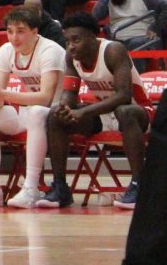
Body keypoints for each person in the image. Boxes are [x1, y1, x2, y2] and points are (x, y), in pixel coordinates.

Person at [38, 13, 151, 210]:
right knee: (55, 116)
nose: (71, 45)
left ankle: (139, 185)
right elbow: (69, 94)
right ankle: (60, 187)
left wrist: (83, 112)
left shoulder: (113, 50)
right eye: (67, 41)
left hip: (138, 112)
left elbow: (124, 95)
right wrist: (65, 108)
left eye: (76, 39)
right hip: (103, 114)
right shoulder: (71, 57)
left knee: (125, 111)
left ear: (93, 37)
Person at [0, 9, 66, 208]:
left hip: (57, 116)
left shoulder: (50, 51)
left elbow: (46, 98)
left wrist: (4, 94)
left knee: (37, 111)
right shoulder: (6, 50)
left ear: (35, 31)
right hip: (27, 112)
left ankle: (31, 188)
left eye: (20, 31)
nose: (14, 37)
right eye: (10, 31)